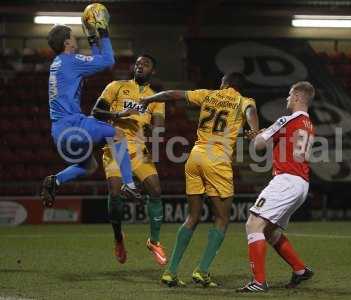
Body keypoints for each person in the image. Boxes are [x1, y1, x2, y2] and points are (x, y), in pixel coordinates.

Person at [139, 72, 259, 287]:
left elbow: (173, 94)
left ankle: (171, 271)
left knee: (192, 217)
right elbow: (250, 111)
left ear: (224, 83)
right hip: (217, 159)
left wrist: (149, 98)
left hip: (195, 156)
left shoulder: (207, 94)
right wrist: (254, 129)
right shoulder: (243, 100)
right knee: (222, 219)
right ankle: (202, 271)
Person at [41, 21, 141, 207]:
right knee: (118, 135)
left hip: (59, 133)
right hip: (73, 126)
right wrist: (103, 32)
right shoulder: (71, 61)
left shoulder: (58, 63)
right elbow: (108, 61)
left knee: (90, 166)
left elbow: (96, 62)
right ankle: (129, 184)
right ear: (66, 43)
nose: (75, 38)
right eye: (72, 36)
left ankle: (55, 181)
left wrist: (93, 40)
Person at [237, 81, 315, 293]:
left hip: (286, 181)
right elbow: (285, 147)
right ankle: (300, 270)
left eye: (290, 95)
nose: (287, 98)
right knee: (270, 232)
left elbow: (258, 145)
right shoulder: (309, 124)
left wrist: (258, 135)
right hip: (301, 183)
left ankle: (259, 282)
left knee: (253, 225)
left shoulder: (286, 119)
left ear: (298, 97)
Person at [91, 54, 167, 265]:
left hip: (139, 151)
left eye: (146, 64)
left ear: (153, 71)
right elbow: (95, 111)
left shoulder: (155, 98)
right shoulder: (117, 86)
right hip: (115, 146)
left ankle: (154, 241)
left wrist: (155, 128)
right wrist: (119, 115)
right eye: (139, 63)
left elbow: (160, 127)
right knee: (115, 193)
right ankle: (118, 237)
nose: (141, 65)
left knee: (156, 190)